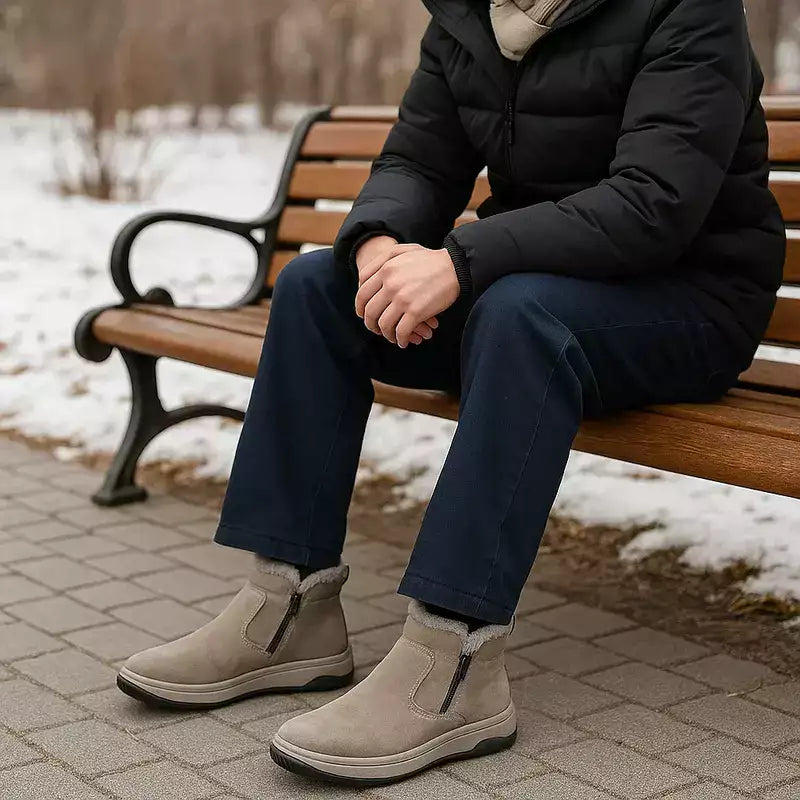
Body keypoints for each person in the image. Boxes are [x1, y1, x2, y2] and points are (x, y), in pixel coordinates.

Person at [116, 0, 785, 786]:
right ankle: (289, 610)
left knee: (519, 314)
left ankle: (456, 661)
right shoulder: (470, 14)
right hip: (532, 278)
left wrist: (461, 262)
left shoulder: (686, 8)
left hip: (686, 302)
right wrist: (376, 244)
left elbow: (653, 203)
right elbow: (420, 162)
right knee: (314, 287)